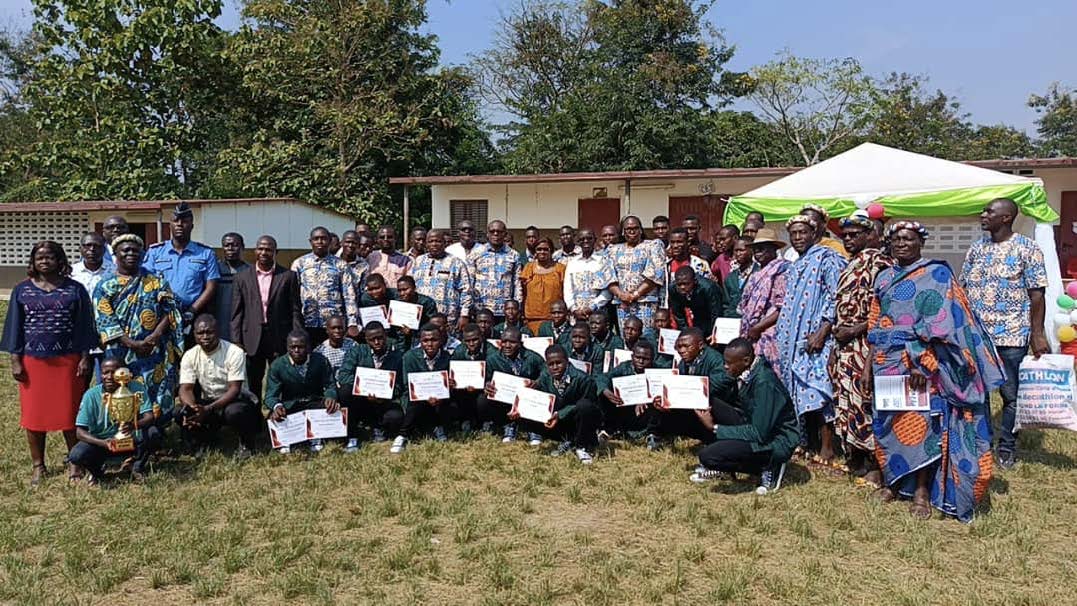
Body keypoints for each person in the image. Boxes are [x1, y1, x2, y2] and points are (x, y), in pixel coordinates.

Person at [865, 221, 1003, 522]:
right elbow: (875, 325)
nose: (902, 243)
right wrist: (867, 365)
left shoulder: (937, 275)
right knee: (888, 423)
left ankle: (922, 492)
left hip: (921, 365)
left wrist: (923, 363)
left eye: (909, 239)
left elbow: (944, 326)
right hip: (886, 362)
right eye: (897, 239)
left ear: (921, 242)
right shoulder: (883, 277)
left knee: (923, 426)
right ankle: (894, 482)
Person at [960, 198, 1049, 470]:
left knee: (1010, 395)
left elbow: (1037, 295)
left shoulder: (1027, 249)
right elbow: (963, 290)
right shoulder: (977, 249)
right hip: (977, 336)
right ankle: (983, 443)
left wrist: (1038, 334)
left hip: (1011, 334)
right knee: (979, 393)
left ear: (1006, 218)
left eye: (989, 211)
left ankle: (1007, 446)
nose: (983, 214)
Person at [2, 241, 97, 485]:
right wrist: (15, 360)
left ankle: (75, 464)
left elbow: (85, 327)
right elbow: (14, 327)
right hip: (33, 362)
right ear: (33, 262)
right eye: (39, 257)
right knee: (34, 417)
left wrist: (85, 358)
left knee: (70, 415)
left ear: (60, 261)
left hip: (68, 361)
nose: (44, 261)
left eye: (50, 257)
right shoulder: (21, 290)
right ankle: (38, 466)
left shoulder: (75, 290)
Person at [826, 212, 892, 484]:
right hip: (844, 346)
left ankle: (877, 464)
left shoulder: (880, 263)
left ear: (869, 236)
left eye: (855, 235)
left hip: (867, 344)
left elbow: (885, 310)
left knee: (867, 401)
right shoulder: (848, 264)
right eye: (846, 235)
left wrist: (854, 330)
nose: (849, 239)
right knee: (848, 401)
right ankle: (858, 458)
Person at [775, 215, 846, 465]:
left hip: (816, 337)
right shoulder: (796, 264)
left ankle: (828, 449)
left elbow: (836, 296)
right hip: (793, 339)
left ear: (815, 233)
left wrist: (823, 330)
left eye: (802, 233)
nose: (797, 238)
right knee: (800, 390)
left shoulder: (828, 258)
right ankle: (808, 443)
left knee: (819, 389)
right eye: (793, 234)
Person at [688, 338, 799, 494]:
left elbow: (759, 433)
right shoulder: (746, 371)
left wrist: (715, 428)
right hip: (754, 423)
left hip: (776, 440)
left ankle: (769, 465)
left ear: (746, 360)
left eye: (728, 362)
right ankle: (726, 464)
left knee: (708, 457)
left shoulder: (764, 383)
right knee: (707, 401)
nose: (725, 366)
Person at [95, 235, 184, 424]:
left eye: (135, 250)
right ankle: (126, 434)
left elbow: (171, 310)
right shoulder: (105, 285)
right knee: (124, 391)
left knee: (158, 392)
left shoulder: (156, 280)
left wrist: (154, 336)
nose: (130, 254)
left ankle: (157, 435)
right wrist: (132, 343)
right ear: (116, 254)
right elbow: (105, 320)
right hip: (121, 352)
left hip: (155, 350)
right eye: (125, 250)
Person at [176, 315, 263, 457]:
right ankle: (203, 441)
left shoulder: (234, 352)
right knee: (180, 412)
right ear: (194, 335)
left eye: (209, 332)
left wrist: (207, 409)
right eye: (200, 333)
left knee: (235, 412)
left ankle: (246, 443)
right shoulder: (190, 355)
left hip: (235, 400)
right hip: (208, 401)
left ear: (218, 332)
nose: (205, 336)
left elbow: (234, 389)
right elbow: (185, 388)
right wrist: (194, 409)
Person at [230, 235, 304, 399]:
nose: (264, 252)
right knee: (254, 383)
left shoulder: (288, 276)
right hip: (251, 338)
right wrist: (236, 341)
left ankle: (281, 417)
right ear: (255, 251)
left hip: (279, 336)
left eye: (268, 249)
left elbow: (295, 309)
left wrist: (297, 334)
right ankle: (256, 421)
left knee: (283, 379)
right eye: (261, 249)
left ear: (275, 252)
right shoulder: (241, 277)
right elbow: (236, 312)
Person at [69, 357, 161, 484]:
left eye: (114, 372)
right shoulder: (91, 395)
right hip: (102, 443)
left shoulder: (136, 388)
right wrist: (103, 443)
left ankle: (136, 466)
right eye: (105, 372)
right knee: (76, 455)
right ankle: (97, 471)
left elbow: (149, 417)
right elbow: (79, 432)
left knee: (153, 433)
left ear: (124, 372)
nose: (109, 376)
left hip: (129, 438)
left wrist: (133, 425)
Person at [143, 202, 220, 347]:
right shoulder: (155, 252)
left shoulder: (205, 253)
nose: (179, 224)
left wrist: (191, 311)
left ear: (192, 225)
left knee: (193, 359)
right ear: (169, 225)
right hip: (161, 316)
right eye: (175, 221)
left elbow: (211, 287)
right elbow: (146, 283)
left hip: (192, 316)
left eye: (184, 221)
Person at [650, 329, 733, 447]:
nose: (682, 351)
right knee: (660, 403)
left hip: (715, 408)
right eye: (679, 347)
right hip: (694, 405)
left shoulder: (715, 360)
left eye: (686, 346)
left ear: (700, 345)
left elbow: (720, 383)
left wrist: (691, 390)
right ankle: (657, 435)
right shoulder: (685, 362)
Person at [521, 345, 601, 464]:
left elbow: (590, 405)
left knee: (585, 406)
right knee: (524, 416)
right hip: (558, 422)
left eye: (559, 363)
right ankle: (568, 441)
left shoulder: (583, 379)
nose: (555, 367)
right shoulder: (545, 378)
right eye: (550, 364)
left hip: (579, 422)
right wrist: (521, 409)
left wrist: (560, 414)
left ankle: (582, 446)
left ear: (567, 361)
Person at [264, 330, 339, 454]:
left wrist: (331, 397)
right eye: (293, 347)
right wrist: (277, 406)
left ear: (308, 347)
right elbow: (270, 396)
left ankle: (317, 437)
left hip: (315, 403)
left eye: (301, 347)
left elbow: (330, 384)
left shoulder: (320, 361)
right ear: (287, 347)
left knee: (333, 409)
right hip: (290, 405)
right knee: (274, 418)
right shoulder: (277, 365)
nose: (297, 351)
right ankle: (289, 439)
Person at [337, 322, 405, 445]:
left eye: (380, 338)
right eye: (372, 339)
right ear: (366, 340)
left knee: (396, 417)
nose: (377, 342)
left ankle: (379, 428)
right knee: (345, 391)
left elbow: (400, 385)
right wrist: (363, 388)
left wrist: (385, 395)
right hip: (361, 400)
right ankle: (353, 432)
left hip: (384, 401)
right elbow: (343, 375)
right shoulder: (357, 352)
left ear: (386, 336)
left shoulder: (397, 357)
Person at [291, 226, 360, 345]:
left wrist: (352, 322)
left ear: (329, 241)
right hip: (307, 322)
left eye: (323, 239)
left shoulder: (341, 265)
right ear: (310, 241)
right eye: (316, 239)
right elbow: (292, 295)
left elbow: (349, 295)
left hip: (333, 324)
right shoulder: (299, 264)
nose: (320, 242)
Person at [394, 324, 456, 453]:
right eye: (425, 340)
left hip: (440, 400)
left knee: (449, 404)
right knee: (414, 403)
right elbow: (407, 385)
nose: (430, 344)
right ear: (420, 341)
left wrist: (450, 386)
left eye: (434, 340)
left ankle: (438, 428)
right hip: (417, 400)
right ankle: (402, 435)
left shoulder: (448, 358)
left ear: (441, 341)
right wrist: (424, 396)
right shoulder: (409, 357)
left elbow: (450, 384)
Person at [479, 327, 545, 440]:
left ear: (520, 343)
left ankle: (533, 428)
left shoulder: (533, 357)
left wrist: (537, 382)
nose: (507, 345)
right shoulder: (493, 359)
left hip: (527, 399)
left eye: (512, 342)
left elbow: (546, 373)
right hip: (505, 400)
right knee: (482, 400)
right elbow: (486, 379)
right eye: (504, 342)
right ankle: (507, 425)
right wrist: (487, 385)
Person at [738, 228, 789, 374]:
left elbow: (782, 307)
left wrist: (758, 327)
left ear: (773, 250)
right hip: (753, 331)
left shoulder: (782, 271)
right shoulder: (756, 274)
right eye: (756, 250)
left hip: (770, 330)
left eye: (762, 249)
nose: (758, 253)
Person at [596, 340, 664, 446]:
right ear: (632, 357)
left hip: (647, 413)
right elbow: (602, 378)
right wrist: (605, 390)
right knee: (603, 394)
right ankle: (610, 429)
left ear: (652, 359)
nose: (641, 361)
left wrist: (646, 398)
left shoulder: (659, 371)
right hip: (626, 411)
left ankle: (652, 434)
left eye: (645, 359)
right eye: (638, 357)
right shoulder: (624, 367)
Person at [607, 215, 666, 333]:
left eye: (635, 228)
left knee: (646, 337)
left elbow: (656, 273)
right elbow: (608, 275)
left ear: (641, 230)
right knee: (627, 338)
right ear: (623, 232)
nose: (632, 231)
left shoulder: (652, 246)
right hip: (623, 303)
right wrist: (620, 294)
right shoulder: (613, 250)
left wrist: (635, 294)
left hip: (646, 302)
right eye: (628, 229)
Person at [409, 228, 473, 333]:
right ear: (426, 243)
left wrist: (464, 315)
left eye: (438, 241)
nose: (434, 244)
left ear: (444, 243)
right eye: (431, 241)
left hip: (447, 319)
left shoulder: (456, 263)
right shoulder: (418, 261)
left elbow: (466, 290)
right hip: (422, 318)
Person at [470, 220, 523, 323]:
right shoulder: (476, 253)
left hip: (505, 311)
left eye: (499, 231)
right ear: (487, 234)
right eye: (492, 231)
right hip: (481, 310)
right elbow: (469, 282)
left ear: (505, 234)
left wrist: (518, 307)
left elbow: (517, 283)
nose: (495, 234)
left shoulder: (513, 255)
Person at [71, 233, 110, 371]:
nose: (92, 250)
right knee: (80, 380)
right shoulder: (70, 273)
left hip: (106, 337)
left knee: (107, 382)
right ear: (80, 249)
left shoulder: (114, 271)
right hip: (78, 334)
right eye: (87, 246)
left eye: (97, 246)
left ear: (104, 249)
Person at [563, 228, 615, 324]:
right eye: (582, 239)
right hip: (576, 315)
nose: (585, 241)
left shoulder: (603, 261)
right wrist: (574, 309)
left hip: (597, 313)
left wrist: (593, 306)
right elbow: (567, 289)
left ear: (595, 240)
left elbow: (607, 290)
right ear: (578, 242)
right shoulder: (572, 263)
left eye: (589, 238)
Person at [450, 323, 493, 430]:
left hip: (484, 389)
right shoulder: (459, 351)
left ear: (482, 337)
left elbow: (496, 374)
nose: (471, 343)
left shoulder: (492, 352)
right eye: (467, 341)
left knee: (483, 399)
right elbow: (453, 371)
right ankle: (466, 419)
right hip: (464, 389)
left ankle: (485, 420)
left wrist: (486, 383)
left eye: (475, 340)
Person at [520, 237, 566, 334]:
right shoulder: (528, 267)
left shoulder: (560, 269)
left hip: (555, 319)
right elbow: (522, 292)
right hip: (532, 319)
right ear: (535, 251)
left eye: (546, 249)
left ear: (551, 251)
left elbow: (565, 292)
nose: (542, 252)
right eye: (539, 249)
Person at [669, 267, 725, 340]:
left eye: (686, 284)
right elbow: (678, 314)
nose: (682, 287)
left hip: (714, 312)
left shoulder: (708, 287)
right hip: (698, 315)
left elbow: (716, 312)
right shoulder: (673, 288)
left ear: (694, 281)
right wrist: (686, 332)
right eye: (679, 284)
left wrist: (714, 332)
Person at [665, 227, 714, 310]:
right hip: (673, 313)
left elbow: (708, 291)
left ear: (688, 242)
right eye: (673, 242)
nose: (675, 246)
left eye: (679, 242)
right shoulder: (665, 265)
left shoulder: (700, 264)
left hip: (697, 312)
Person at [214, 232, 248, 343]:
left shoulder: (250, 271)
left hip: (243, 322)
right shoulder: (215, 271)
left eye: (234, 245)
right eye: (226, 245)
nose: (230, 248)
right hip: (220, 319)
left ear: (242, 247)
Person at [396, 275, 439, 344]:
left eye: (405, 289)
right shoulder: (397, 304)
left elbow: (433, 325)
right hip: (402, 340)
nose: (402, 293)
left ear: (414, 288)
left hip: (423, 339)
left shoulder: (427, 302)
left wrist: (413, 331)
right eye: (399, 290)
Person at [723, 236, 758, 318]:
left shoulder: (759, 274)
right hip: (732, 322)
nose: (738, 254)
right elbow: (725, 304)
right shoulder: (730, 278)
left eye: (741, 250)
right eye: (736, 250)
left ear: (751, 251)